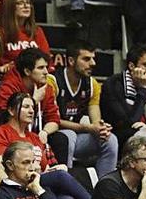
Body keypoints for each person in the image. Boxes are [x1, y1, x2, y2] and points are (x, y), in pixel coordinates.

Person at [0, 92, 90, 199]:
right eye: (26, 107)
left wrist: (56, 168)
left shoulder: (35, 137)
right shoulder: (0, 133)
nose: (31, 111)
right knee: (60, 176)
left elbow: (45, 169)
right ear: (11, 111)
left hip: (38, 184)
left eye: (32, 107)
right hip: (18, 183)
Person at [47, 43, 118, 178]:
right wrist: (86, 128)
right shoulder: (53, 81)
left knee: (110, 139)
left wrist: (101, 128)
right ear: (71, 61)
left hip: (77, 136)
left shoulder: (92, 84)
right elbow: (51, 120)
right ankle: (67, 186)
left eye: (93, 58)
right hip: (53, 137)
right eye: (86, 59)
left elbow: (95, 119)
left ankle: (105, 187)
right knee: (68, 136)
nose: (92, 63)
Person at [0, 49, 63, 162]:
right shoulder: (9, 87)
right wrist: (34, 101)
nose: (46, 72)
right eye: (40, 68)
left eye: (46, 67)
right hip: (10, 135)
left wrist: (44, 132)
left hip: (35, 136)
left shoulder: (47, 88)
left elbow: (54, 120)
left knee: (61, 138)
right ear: (27, 71)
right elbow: (5, 117)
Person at [101, 45, 146, 145]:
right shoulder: (113, 84)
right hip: (119, 135)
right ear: (132, 66)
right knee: (136, 134)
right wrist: (143, 89)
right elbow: (129, 123)